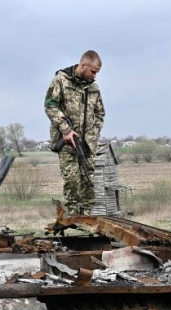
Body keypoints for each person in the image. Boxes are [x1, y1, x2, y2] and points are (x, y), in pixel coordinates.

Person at [44, 50, 106, 215]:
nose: (95, 76)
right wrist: (66, 130)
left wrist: (94, 134)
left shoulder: (93, 88)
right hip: (66, 142)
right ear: (83, 65)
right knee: (72, 180)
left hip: (87, 144)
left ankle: (86, 215)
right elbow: (50, 105)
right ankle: (73, 213)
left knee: (88, 180)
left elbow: (100, 114)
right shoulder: (61, 81)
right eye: (93, 71)